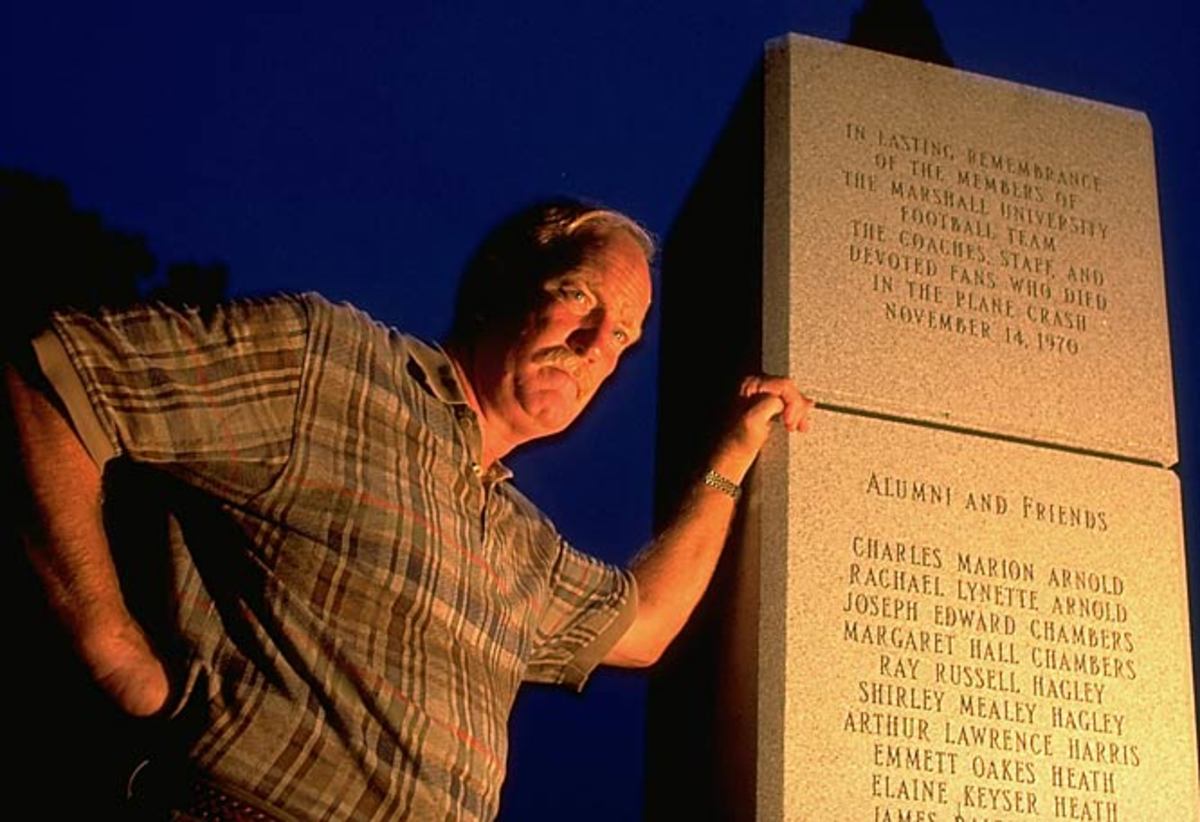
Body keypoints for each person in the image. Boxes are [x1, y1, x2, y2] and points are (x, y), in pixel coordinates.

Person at [5, 199, 810, 820]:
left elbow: (647, 626)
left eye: (624, 337)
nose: (597, 345)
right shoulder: (334, 365)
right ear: (505, 283)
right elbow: (53, 378)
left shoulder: (520, 543)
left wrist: (732, 456)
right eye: (579, 298)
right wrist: (108, 644)